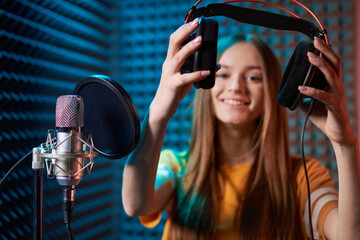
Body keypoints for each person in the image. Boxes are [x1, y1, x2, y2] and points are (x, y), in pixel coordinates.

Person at [122, 17, 360, 239]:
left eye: (254, 78)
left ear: (274, 91)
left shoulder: (302, 176)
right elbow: (135, 203)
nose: (236, 87)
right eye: (224, 74)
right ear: (205, 83)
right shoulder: (175, 167)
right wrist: (158, 112)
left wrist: (344, 144)